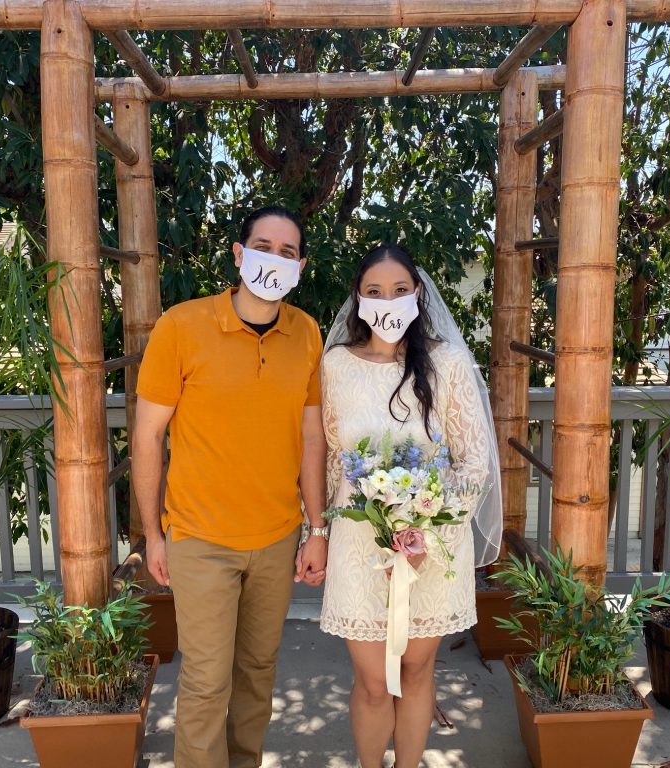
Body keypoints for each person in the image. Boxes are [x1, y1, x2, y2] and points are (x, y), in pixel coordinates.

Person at [132, 205, 329, 768]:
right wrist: (153, 533)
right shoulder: (181, 326)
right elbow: (148, 437)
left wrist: (317, 530)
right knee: (205, 683)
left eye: (287, 252)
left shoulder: (306, 334)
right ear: (239, 254)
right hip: (200, 539)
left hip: (276, 539)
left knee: (257, 679)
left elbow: (312, 439)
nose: (275, 259)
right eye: (263, 246)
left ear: (300, 265)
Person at [319, 243, 502, 768]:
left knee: (418, 673)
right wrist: (323, 532)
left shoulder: (446, 362)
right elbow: (335, 457)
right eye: (374, 292)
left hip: (434, 546)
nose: (388, 301)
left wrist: (429, 524)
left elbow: (473, 464)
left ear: (418, 294)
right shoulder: (336, 366)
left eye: (400, 290)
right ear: (358, 300)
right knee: (374, 682)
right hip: (360, 545)